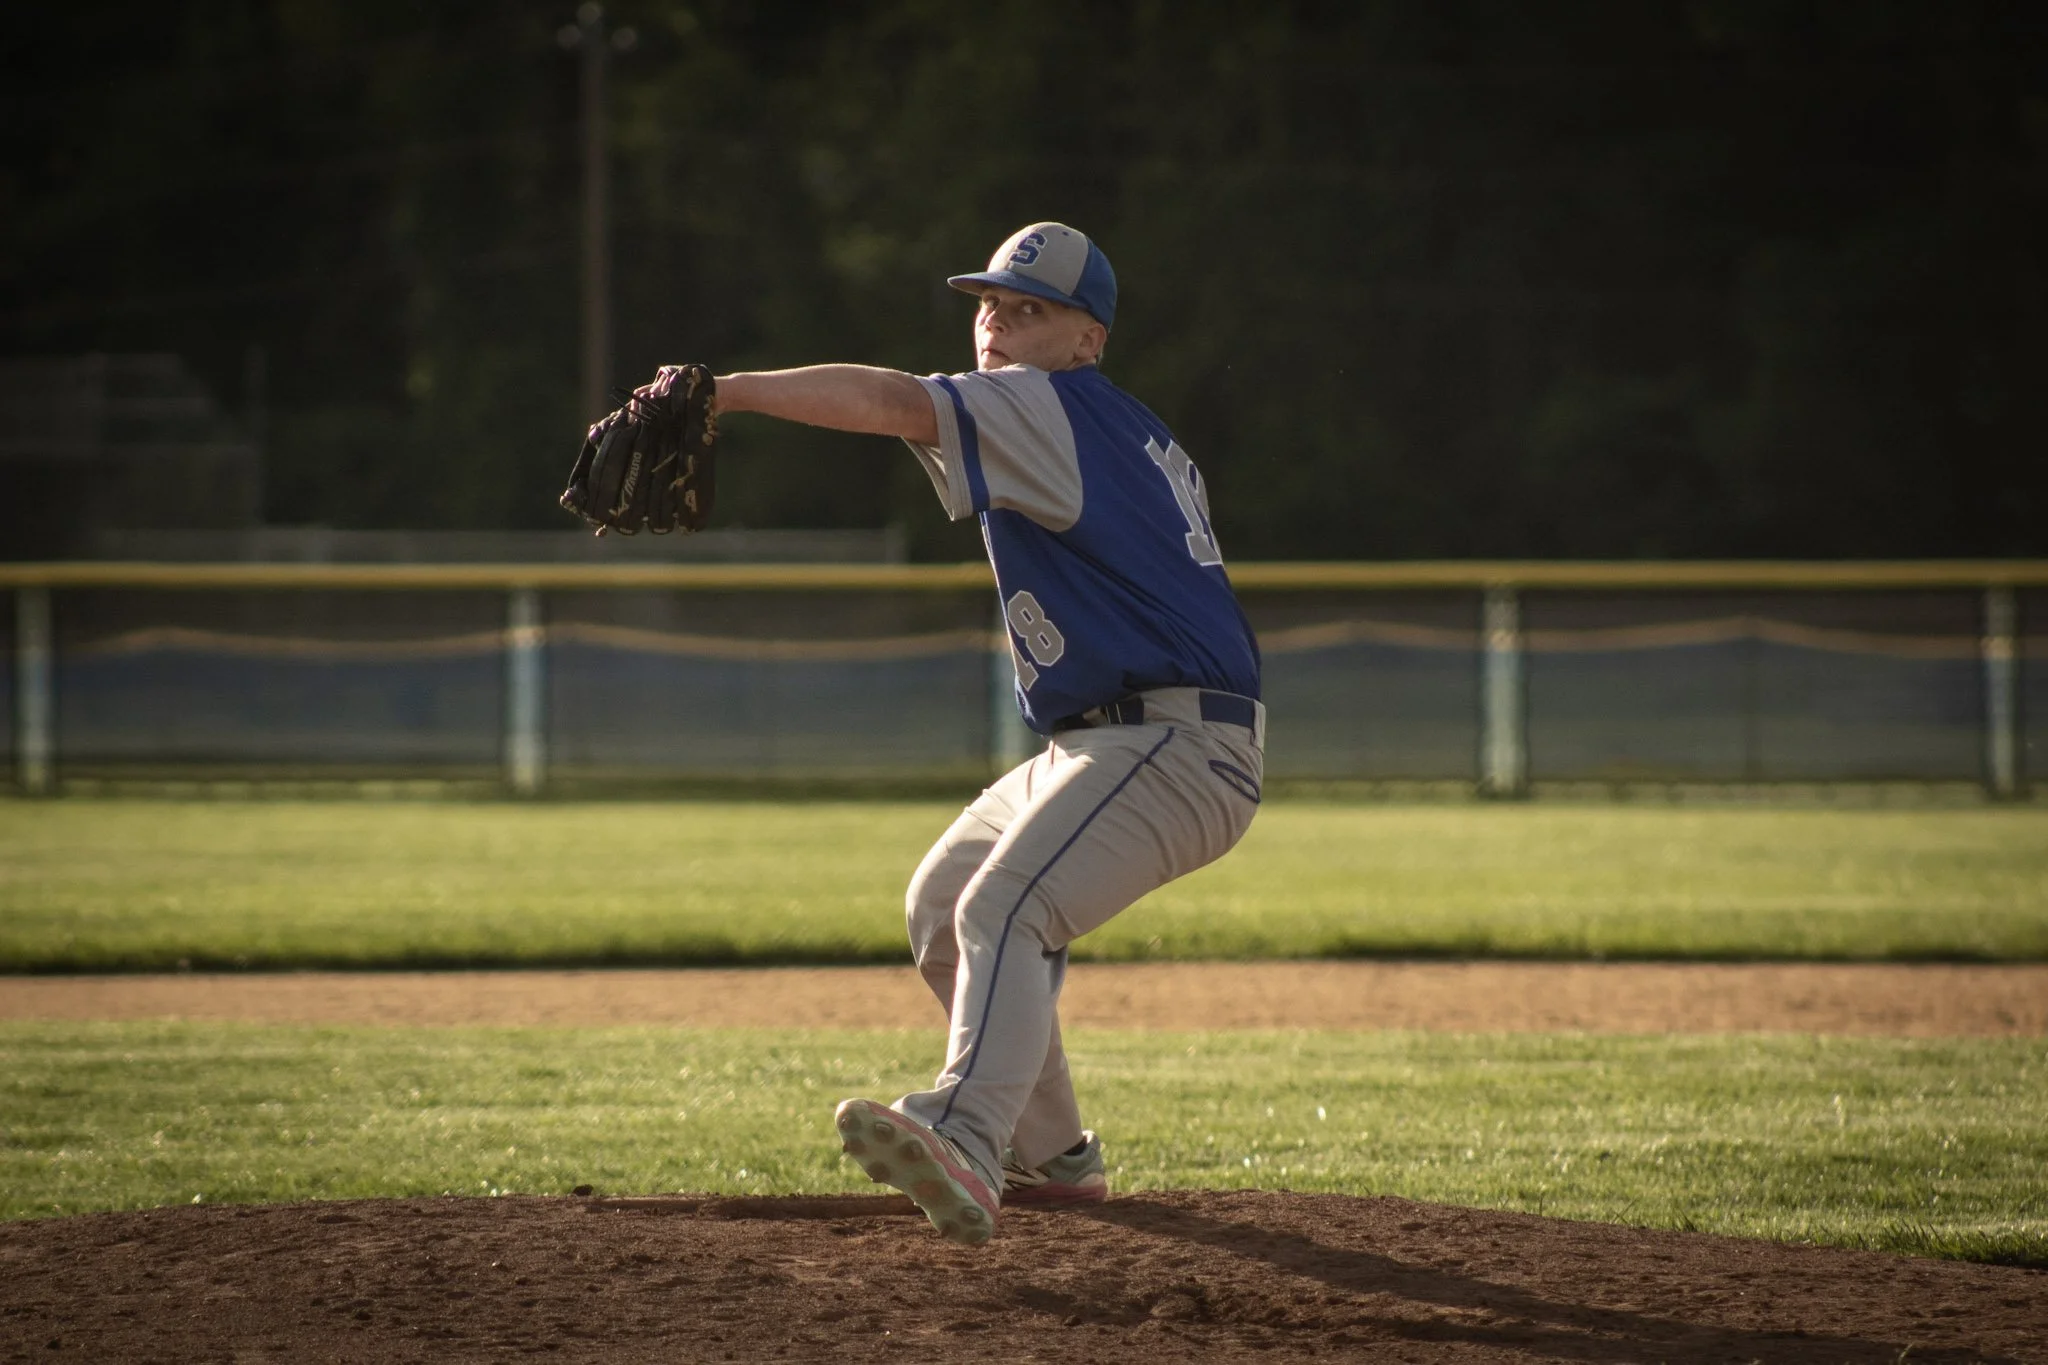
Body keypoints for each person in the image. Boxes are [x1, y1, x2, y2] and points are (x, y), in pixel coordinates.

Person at [706, 222, 1264, 1245]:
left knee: (1006, 905)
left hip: (1172, 739)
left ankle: (963, 1134)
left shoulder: (1045, 402)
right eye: (988, 304)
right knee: (944, 907)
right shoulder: (1098, 415)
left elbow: (888, 401)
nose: (996, 325)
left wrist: (726, 390)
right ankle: (1053, 1158)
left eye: (1029, 310)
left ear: (1085, 339)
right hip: (1110, 739)